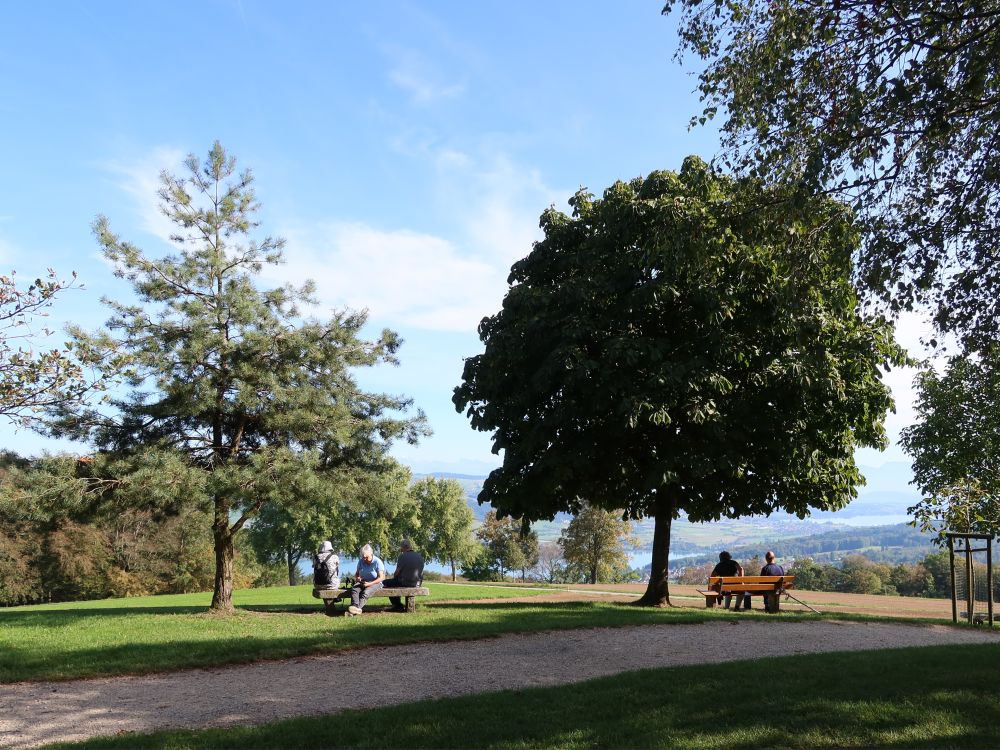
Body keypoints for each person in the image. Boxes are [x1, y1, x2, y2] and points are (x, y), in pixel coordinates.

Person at [382, 538, 425, 612]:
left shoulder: (402, 556)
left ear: (402, 547)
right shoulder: (419, 556)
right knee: (395, 582)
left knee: (386, 582)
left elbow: (397, 573)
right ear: (410, 546)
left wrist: (394, 577)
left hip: (405, 582)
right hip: (418, 583)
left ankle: (398, 605)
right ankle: (399, 605)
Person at [347, 543, 385, 616]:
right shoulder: (361, 561)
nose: (364, 559)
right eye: (363, 557)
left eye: (366, 557)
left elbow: (381, 577)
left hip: (376, 582)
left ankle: (355, 610)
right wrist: (357, 578)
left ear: (371, 554)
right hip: (363, 581)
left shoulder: (377, 562)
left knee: (366, 593)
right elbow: (357, 573)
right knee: (354, 589)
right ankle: (354, 607)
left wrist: (370, 584)